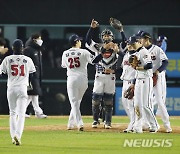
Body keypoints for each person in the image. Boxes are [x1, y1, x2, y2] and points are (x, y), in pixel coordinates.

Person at [61, 34, 103, 131]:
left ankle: (80, 124)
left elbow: (63, 65)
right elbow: (95, 61)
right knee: (77, 102)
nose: (80, 42)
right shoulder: (84, 52)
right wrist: (102, 53)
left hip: (72, 79)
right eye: (79, 40)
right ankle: (70, 124)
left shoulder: (65, 53)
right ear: (76, 42)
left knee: (74, 102)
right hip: (83, 79)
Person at [0, 39, 36, 145]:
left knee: (12, 113)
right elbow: (32, 75)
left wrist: (10, 76)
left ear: (12, 48)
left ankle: (12, 137)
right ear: (22, 48)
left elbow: (2, 74)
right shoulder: (28, 59)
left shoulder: (7, 59)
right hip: (22, 88)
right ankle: (18, 135)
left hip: (11, 88)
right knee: (21, 114)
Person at [85, 19, 120, 129]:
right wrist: (91, 28)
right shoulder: (98, 46)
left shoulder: (116, 47)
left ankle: (107, 121)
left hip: (111, 76)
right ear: (101, 37)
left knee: (108, 101)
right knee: (96, 99)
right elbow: (87, 41)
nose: (106, 37)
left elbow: (122, 61)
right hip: (99, 75)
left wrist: (114, 69)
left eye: (108, 36)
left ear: (112, 37)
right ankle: (96, 120)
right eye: (104, 36)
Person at [139, 32, 172, 133]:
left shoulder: (157, 49)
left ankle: (167, 126)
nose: (140, 41)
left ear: (146, 39)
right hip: (147, 77)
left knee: (160, 101)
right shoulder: (141, 51)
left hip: (157, 76)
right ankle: (146, 123)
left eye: (141, 39)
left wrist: (158, 71)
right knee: (146, 101)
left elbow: (165, 62)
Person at [127, 35, 159, 133]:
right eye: (131, 44)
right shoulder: (136, 52)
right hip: (139, 80)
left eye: (133, 43)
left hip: (146, 79)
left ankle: (154, 125)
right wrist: (133, 83)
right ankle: (137, 126)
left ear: (139, 42)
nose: (132, 45)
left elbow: (149, 65)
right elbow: (136, 70)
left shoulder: (144, 51)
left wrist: (137, 68)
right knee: (136, 104)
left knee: (146, 105)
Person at [23, 33, 47, 118]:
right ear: (34, 39)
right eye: (39, 39)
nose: (41, 41)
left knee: (32, 95)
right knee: (34, 93)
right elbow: (24, 62)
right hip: (31, 75)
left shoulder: (38, 50)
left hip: (37, 75)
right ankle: (38, 112)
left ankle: (22, 111)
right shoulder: (28, 50)